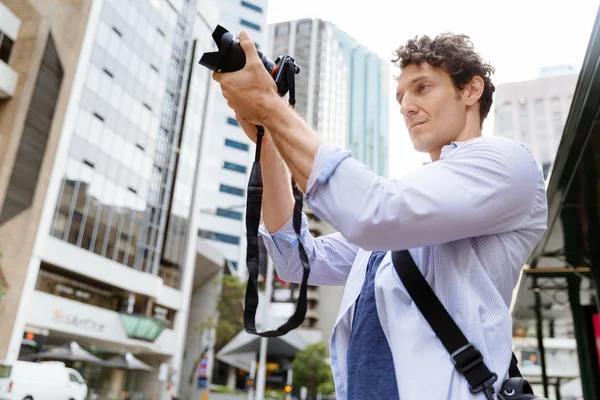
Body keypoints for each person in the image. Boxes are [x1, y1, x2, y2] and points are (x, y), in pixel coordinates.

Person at [213, 31, 547, 399]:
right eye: (401, 96)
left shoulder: (508, 162)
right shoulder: (404, 205)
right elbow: (296, 261)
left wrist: (270, 106)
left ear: (470, 90)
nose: (406, 106)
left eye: (422, 88)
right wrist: (270, 140)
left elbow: (373, 213)